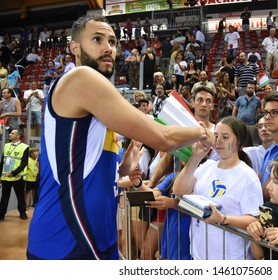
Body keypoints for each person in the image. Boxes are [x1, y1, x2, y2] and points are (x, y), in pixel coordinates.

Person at [26, 14, 214, 260]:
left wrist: (126, 166)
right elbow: (162, 138)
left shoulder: (97, 107)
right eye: (97, 39)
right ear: (75, 47)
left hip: (97, 237)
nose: (108, 48)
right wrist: (201, 131)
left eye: (113, 42)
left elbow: (87, 169)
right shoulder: (81, 78)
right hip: (66, 238)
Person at [173, 116, 263, 260]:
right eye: (216, 136)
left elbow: (254, 220)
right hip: (199, 254)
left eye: (225, 137)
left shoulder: (247, 177)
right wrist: (195, 157)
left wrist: (223, 218)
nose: (218, 141)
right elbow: (178, 191)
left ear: (238, 142)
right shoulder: (207, 166)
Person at [0, 129, 29, 221]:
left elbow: (24, 163)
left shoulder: (25, 147)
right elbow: (2, 162)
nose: (9, 134)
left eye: (12, 133)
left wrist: (13, 173)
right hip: (5, 176)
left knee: (20, 196)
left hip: (17, 177)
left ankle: (22, 212)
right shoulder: (6, 145)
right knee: (4, 196)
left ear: (18, 136)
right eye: (10, 133)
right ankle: (1, 214)